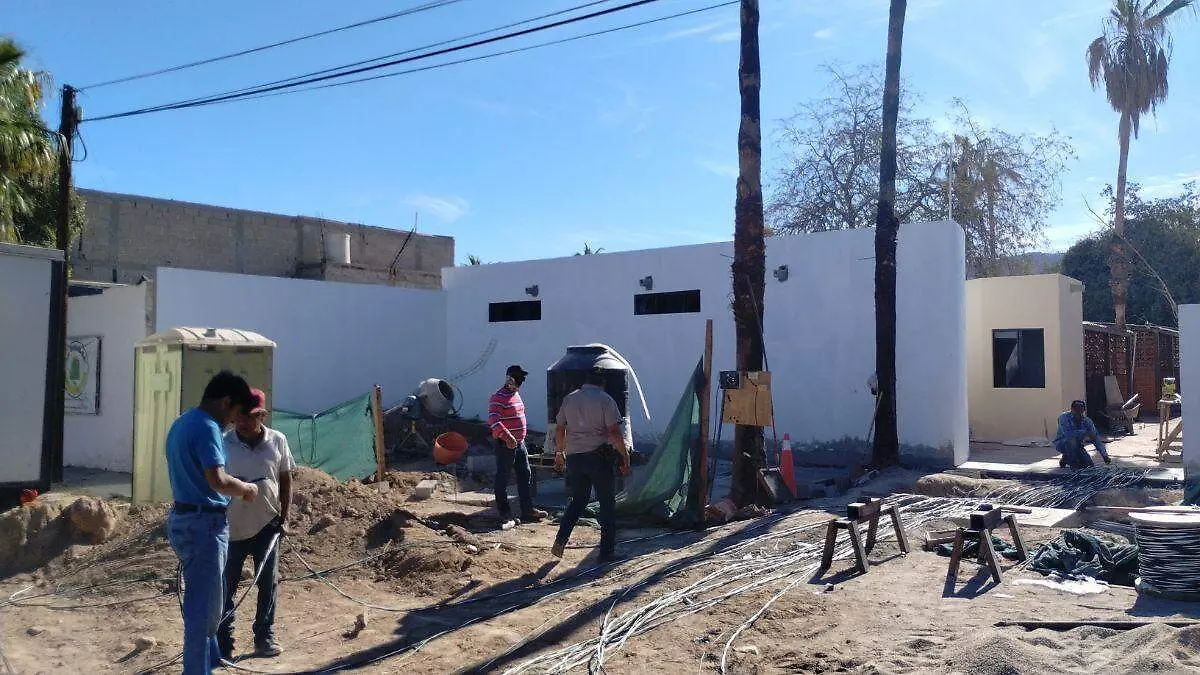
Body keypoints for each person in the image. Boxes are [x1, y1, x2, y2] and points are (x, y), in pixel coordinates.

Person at [165, 371, 259, 675]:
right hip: (203, 526)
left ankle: (213, 662)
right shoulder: (207, 427)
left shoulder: (183, 422)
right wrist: (245, 489)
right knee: (202, 612)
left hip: (185, 519)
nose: (233, 422)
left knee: (210, 605)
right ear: (226, 401)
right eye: (235, 412)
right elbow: (217, 480)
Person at [217, 388, 294, 660]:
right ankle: (224, 643)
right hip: (232, 527)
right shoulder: (223, 443)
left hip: (267, 524)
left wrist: (285, 517)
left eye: (249, 416)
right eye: (238, 416)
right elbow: (214, 482)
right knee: (226, 587)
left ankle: (264, 636)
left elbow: (285, 479)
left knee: (268, 583)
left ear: (261, 416)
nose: (243, 422)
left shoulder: (278, 441)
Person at [551, 367, 631, 561]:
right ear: (602, 382)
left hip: (574, 458)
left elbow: (560, 429)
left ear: (585, 381)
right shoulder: (605, 400)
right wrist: (625, 456)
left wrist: (559, 453)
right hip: (597, 457)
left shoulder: (569, 399)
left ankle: (560, 540)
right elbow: (614, 432)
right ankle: (606, 552)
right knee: (606, 503)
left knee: (578, 500)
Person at [488, 365, 547, 524]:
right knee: (503, 477)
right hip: (505, 444)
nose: (519, 384)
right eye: (517, 380)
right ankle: (504, 512)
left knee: (525, 474)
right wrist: (507, 437)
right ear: (509, 379)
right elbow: (493, 421)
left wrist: (518, 437)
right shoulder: (498, 397)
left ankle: (527, 510)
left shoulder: (516, 395)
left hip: (520, 443)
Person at [1054, 400, 1112, 469]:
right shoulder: (1063, 417)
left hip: (1078, 445)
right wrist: (1084, 432)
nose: (1078, 414)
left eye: (1081, 411)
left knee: (1089, 465)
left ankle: (1065, 458)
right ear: (1072, 409)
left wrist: (1104, 455)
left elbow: (1096, 438)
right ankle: (1073, 462)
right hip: (1062, 443)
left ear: (1083, 411)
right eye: (1076, 411)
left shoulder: (1087, 421)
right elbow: (1068, 434)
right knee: (1071, 440)